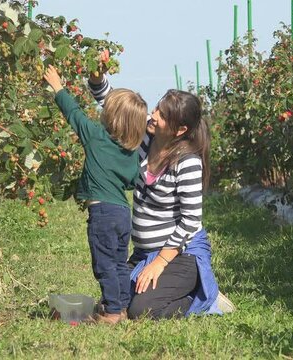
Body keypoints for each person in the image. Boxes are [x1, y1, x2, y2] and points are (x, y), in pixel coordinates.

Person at [88, 74, 235, 319]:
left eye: (163, 116)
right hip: (144, 253)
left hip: (180, 255)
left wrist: (159, 263)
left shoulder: (187, 162)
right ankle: (172, 287)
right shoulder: (147, 134)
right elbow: (117, 106)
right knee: (117, 300)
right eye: (157, 108)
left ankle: (200, 298)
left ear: (180, 130)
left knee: (140, 310)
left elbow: (190, 221)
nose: (154, 116)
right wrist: (96, 79)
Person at [44, 65, 147, 324]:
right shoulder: (132, 152)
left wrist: (57, 86)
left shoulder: (96, 136)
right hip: (123, 213)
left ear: (111, 117)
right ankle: (121, 306)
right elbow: (132, 181)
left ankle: (112, 312)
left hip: (102, 213)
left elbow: (74, 114)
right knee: (119, 261)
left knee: (104, 264)